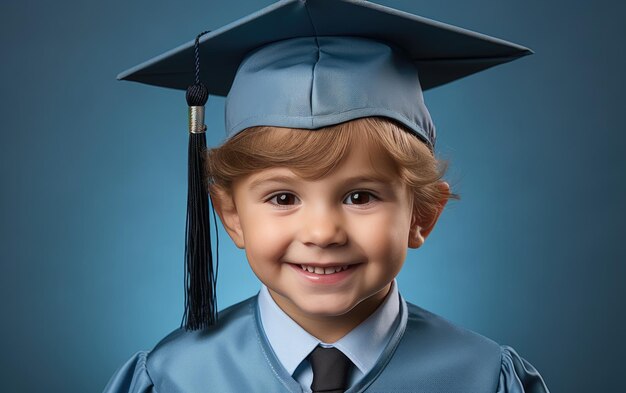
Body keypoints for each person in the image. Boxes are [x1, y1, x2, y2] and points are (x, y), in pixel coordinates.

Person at [104, 0, 550, 392]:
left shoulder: (482, 378)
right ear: (230, 215)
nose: (322, 232)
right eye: (283, 198)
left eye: (359, 197)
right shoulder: (174, 378)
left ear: (423, 214)